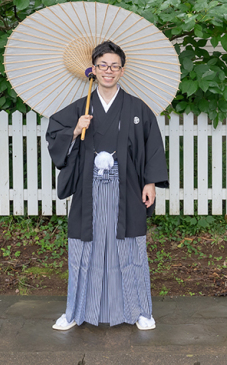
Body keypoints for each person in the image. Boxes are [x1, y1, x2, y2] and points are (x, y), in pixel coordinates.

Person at [46, 40, 168, 331]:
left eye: (114, 66)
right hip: (90, 190)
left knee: (129, 248)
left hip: (126, 187)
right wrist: (76, 129)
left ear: (122, 70)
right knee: (85, 247)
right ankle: (75, 311)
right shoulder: (80, 108)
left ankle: (140, 310)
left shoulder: (138, 109)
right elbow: (55, 133)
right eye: (103, 65)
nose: (108, 71)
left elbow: (152, 147)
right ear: (94, 70)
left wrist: (149, 182)